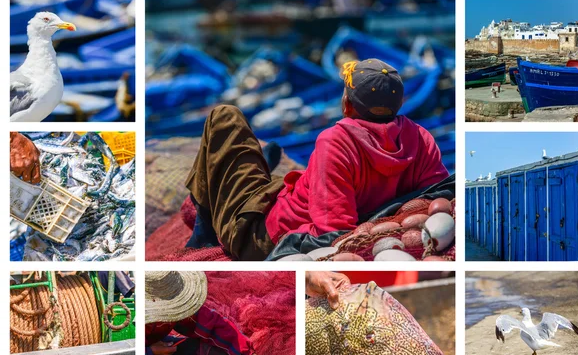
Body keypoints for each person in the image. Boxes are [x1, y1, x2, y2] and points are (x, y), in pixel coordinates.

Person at [185, 58, 449, 260]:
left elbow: (334, 231)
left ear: (346, 104)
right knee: (264, 175)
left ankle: (205, 228)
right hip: (285, 197)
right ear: (400, 103)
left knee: (224, 117)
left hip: (258, 234)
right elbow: (433, 196)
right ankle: (259, 166)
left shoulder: (335, 142)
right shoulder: (421, 137)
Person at [145, 271, 290, 355]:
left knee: (200, 352)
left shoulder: (177, 308)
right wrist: (150, 354)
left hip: (159, 352)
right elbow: (124, 354)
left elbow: (213, 324)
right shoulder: (130, 318)